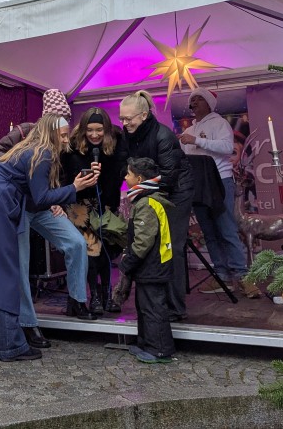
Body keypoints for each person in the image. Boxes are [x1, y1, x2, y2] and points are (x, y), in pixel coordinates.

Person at [0, 114, 98, 361]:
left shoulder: (32, 148)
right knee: (6, 273)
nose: (67, 139)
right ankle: (11, 345)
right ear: (49, 132)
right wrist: (74, 189)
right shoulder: (43, 153)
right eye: (63, 135)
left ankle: (0, 343)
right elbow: (40, 198)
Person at [0, 89, 97, 351]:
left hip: (44, 203)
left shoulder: (62, 140)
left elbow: (54, 175)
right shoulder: (25, 132)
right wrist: (22, 178)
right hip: (21, 206)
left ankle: (76, 300)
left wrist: (59, 197)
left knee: (76, 243)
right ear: (46, 117)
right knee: (22, 265)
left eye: (65, 118)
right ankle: (28, 323)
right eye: (58, 117)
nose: (63, 123)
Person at [118, 90, 193, 322]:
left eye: (128, 118)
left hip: (177, 191)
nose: (124, 123)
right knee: (149, 245)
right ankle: (156, 304)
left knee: (172, 247)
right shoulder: (129, 134)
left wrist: (136, 192)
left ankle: (175, 308)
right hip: (152, 191)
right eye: (122, 118)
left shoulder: (163, 135)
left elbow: (169, 176)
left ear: (143, 115)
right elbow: (128, 166)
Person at [179, 88, 260, 298]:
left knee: (227, 229)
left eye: (199, 99)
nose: (194, 102)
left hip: (220, 181)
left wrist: (196, 141)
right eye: (192, 100)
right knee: (210, 233)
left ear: (209, 104)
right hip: (198, 185)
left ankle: (243, 276)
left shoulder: (219, 123)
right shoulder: (191, 129)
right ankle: (222, 275)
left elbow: (226, 148)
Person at [62, 107, 128, 314]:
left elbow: (122, 172)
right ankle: (94, 297)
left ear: (106, 129)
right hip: (80, 206)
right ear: (83, 130)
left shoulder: (117, 143)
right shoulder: (72, 148)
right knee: (91, 251)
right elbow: (64, 177)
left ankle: (108, 297)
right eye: (89, 130)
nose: (94, 134)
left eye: (99, 129)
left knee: (106, 252)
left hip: (106, 205)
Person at [120, 157, 175, 363]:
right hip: (149, 267)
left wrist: (129, 261)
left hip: (153, 265)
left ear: (139, 178)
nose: (125, 177)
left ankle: (159, 349)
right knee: (144, 307)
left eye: (128, 174)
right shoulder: (143, 200)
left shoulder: (146, 203)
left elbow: (143, 241)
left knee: (153, 308)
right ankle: (145, 343)